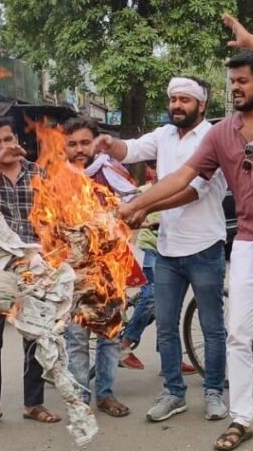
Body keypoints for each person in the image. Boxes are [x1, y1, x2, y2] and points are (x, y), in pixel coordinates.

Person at [119, 14, 253, 451]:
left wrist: (250, 39)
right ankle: (241, 416)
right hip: (244, 241)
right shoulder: (220, 133)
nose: (236, 88)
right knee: (238, 332)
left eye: (244, 80)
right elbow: (184, 177)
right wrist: (139, 204)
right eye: (233, 83)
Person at [97, 76, 229, 422]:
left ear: (201, 104)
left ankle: (214, 390)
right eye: (173, 100)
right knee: (167, 327)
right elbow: (131, 150)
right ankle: (173, 392)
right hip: (168, 249)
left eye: (185, 100)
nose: (176, 106)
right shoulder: (164, 135)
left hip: (205, 247)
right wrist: (109, 144)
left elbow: (193, 191)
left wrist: (143, 207)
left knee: (212, 326)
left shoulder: (215, 138)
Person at [0, 115, 60, 433]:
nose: (6, 146)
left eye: (8, 139)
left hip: (34, 266)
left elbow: (55, 217)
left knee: (34, 336)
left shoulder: (38, 174)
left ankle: (33, 403)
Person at [61, 116, 130, 418]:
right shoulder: (54, 180)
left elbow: (130, 208)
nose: (79, 149)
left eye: (84, 142)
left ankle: (105, 394)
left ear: (95, 144)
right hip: (72, 276)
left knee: (110, 337)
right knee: (75, 340)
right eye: (72, 143)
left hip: (109, 272)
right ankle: (80, 399)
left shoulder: (110, 174)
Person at [118, 164, 197, 376]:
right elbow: (126, 217)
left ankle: (171, 360)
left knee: (171, 307)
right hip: (148, 249)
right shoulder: (142, 193)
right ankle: (125, 344)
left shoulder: (181, 191)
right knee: (152, 294)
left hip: (174, 250)